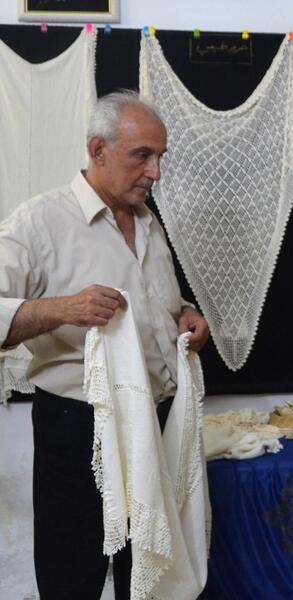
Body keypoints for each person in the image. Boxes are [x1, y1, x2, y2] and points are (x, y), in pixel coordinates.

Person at [0, 90, 209, 600]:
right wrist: (62, 309)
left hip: (154, 427)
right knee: (73, 576)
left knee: (153, 574)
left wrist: (186, 317)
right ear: (97, 151)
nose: (155, 172)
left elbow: (160, 304)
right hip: (78, 431)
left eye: (160, 157)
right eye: (143, 155)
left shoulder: (146, 220)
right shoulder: (39, 221)